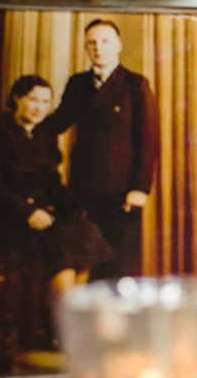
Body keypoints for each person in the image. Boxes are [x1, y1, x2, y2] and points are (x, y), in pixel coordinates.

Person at [39, 19, 159, 279]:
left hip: (121, 192)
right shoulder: (77, 84)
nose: (98, 47)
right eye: (92, 43)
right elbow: (57, 123)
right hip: (81, 189)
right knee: (83, 260)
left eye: (104, 41)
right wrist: (24, 128)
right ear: (86, 48)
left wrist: (140, 188)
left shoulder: (135, 84)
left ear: (118, 45)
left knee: (119, 263)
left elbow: (148, 140)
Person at [0, 75, 112, 297]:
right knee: (59, 247)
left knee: (86, 236)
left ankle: (66, 317)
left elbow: (52, 182)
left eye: (46, 102)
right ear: (17, 98)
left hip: (41, 215)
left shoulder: (44, 135)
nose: (40, 108)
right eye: (33, 100)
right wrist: (28, 211)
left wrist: (73, 207)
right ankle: (61, 322)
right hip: (2, 216)